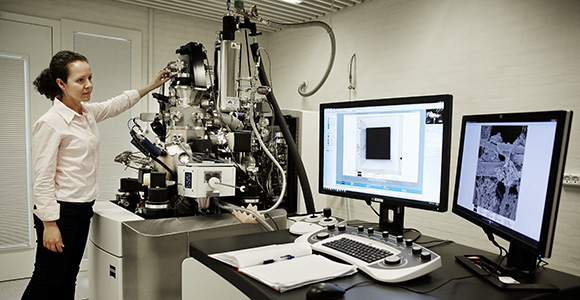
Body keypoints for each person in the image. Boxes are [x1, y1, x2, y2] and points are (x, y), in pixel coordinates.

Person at [22, 50, 170, 299]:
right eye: (80, 80)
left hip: (82, 208)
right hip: (60, 211)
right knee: (47, 279)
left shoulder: (86, 113)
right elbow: (43, 177)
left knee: (69, 275)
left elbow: (117, 104)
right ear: (61, 83)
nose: (88, 85)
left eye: (90, 77)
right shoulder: (51, 122)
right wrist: (49, 225)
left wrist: (152, 86)